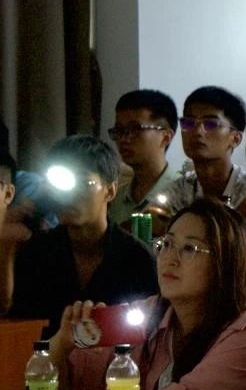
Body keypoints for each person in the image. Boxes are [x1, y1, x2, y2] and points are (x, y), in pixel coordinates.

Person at [45, 199, 246, 390]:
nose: (170, 258)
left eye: (189, 248)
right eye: (166, 244)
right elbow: (71, 379)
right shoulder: (150, 312)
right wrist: (62, 344)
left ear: (226, 262)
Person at [0, 135, 157, 334]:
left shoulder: (137, 259)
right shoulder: (35, 253)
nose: (68, 195)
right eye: (60, 183)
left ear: (110, 190)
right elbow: (21, 327)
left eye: (84, 182)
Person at [155, 87, 246, 218]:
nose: (197, 131)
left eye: (210, 124)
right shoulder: (179, 189)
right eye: (188, 123)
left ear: (235, 138)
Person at [108, 88, 180, 228]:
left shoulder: (184, 194)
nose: (123, 139)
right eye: (119, 130)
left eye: (135, 130)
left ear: (166, 137)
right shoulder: (114, 198)